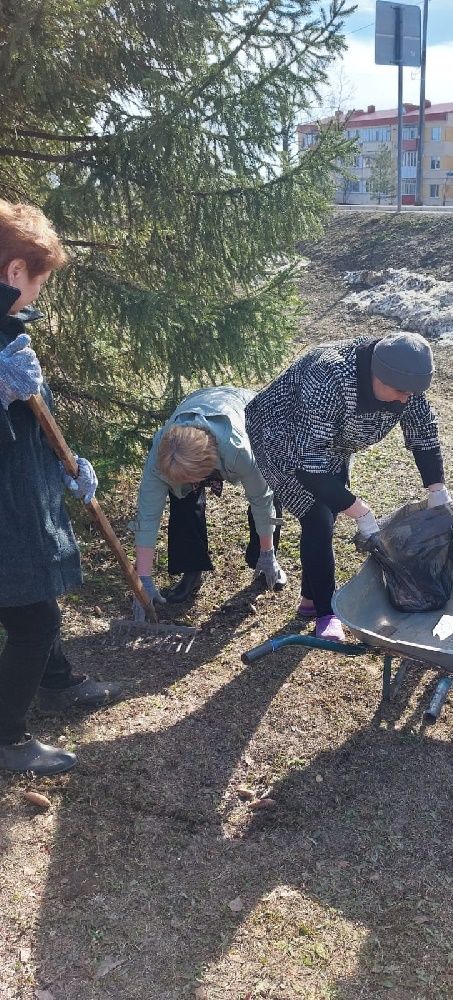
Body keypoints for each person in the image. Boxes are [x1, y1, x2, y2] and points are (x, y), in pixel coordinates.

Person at [0, 200, 122, 776]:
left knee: (34, 598)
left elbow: (32, 418)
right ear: (16, 272)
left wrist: (67, 464)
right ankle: (8, 737)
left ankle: (54, 681)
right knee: (34, 617)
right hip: (3, 507)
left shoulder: (7, 329)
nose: (40, 294)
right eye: (40, 279)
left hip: (23, 486)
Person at [245, 332, 451, 642]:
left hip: (332, 443)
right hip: (281, 438)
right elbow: (308, 462)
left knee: (328, 511)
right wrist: (361, 512)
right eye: (399, 392)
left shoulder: (404, 380)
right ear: (375, 375)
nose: (406, 399)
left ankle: (310, 600)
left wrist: (438, 493)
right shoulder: (329, 376)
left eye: (412, 393)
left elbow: (423, 430)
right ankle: (327, 612)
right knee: (317, 515)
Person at [130, 387, 286, 612]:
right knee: (181, 497)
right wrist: (143, 578)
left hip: (245, 413)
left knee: (269, 488)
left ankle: (264, 560)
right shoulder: (160, 457)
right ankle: (192, 568)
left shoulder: (238, 451)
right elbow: (147, 517)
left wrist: (267, 552)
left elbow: (261, 499)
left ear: (210, 468)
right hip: (195, 409)